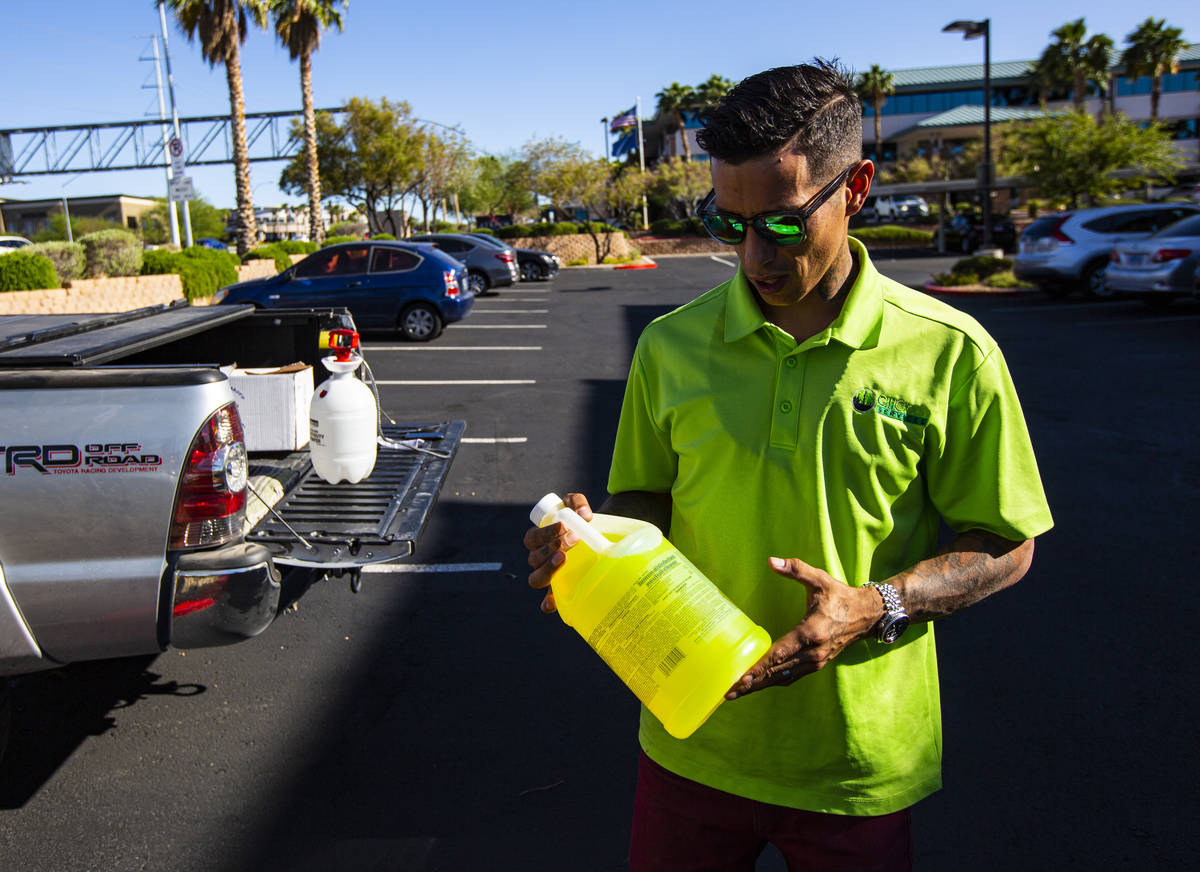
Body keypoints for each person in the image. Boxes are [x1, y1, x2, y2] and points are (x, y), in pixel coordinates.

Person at [523, 60, 1052, 871]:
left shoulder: (952, 353)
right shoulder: (668, 347)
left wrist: (874, 607)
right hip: (690, 739)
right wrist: (590, 549)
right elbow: (644, 498)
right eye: (727, 223)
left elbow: (1009, 543)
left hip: (855, 763)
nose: (752, 255)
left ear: (858, 187)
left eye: (779, 223)